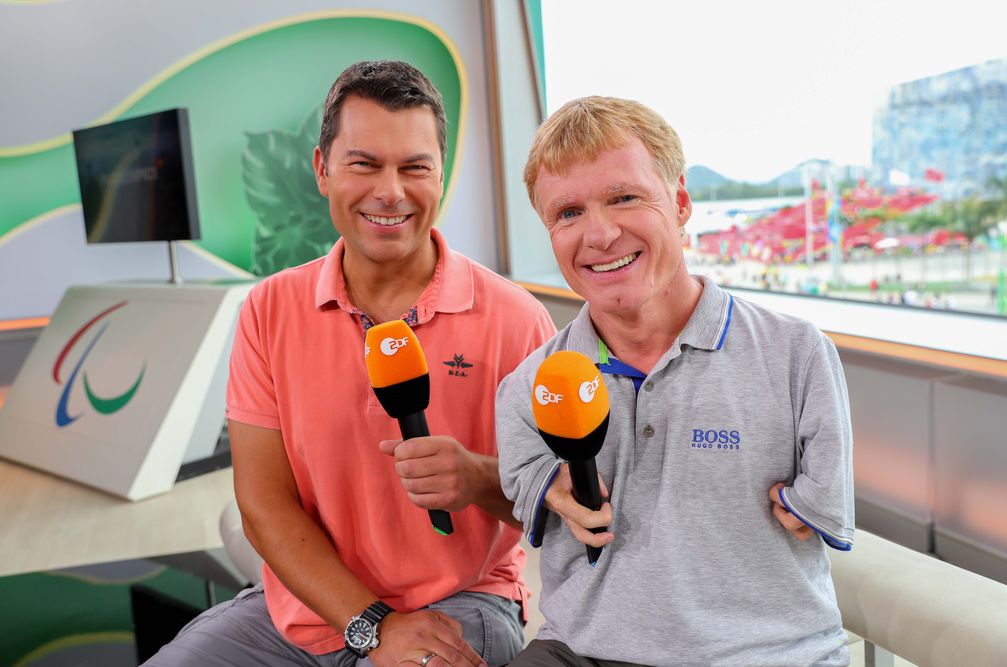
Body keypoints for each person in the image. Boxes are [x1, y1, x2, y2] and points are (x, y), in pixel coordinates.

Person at [145, 60, 555, 667]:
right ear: (321, 170)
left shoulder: (516, 319)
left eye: (415, 167)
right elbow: (263, 503)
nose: (390, 192)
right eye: (364, 164)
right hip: (309, 608)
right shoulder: (269, 308)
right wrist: (371, 623)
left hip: (460, 601)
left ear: (441, 176)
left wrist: (475, 478)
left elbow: (560, 507)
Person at [496, 97, 854, 666]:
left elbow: (821, 511)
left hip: (769, 655)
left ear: (680, 201)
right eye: (568, 213)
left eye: (625, 198)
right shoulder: (525, 387)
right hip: (579, 653)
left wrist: (803, 509)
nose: (601, 233)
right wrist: (551, 489)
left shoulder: (798, 354)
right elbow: (520, 483)